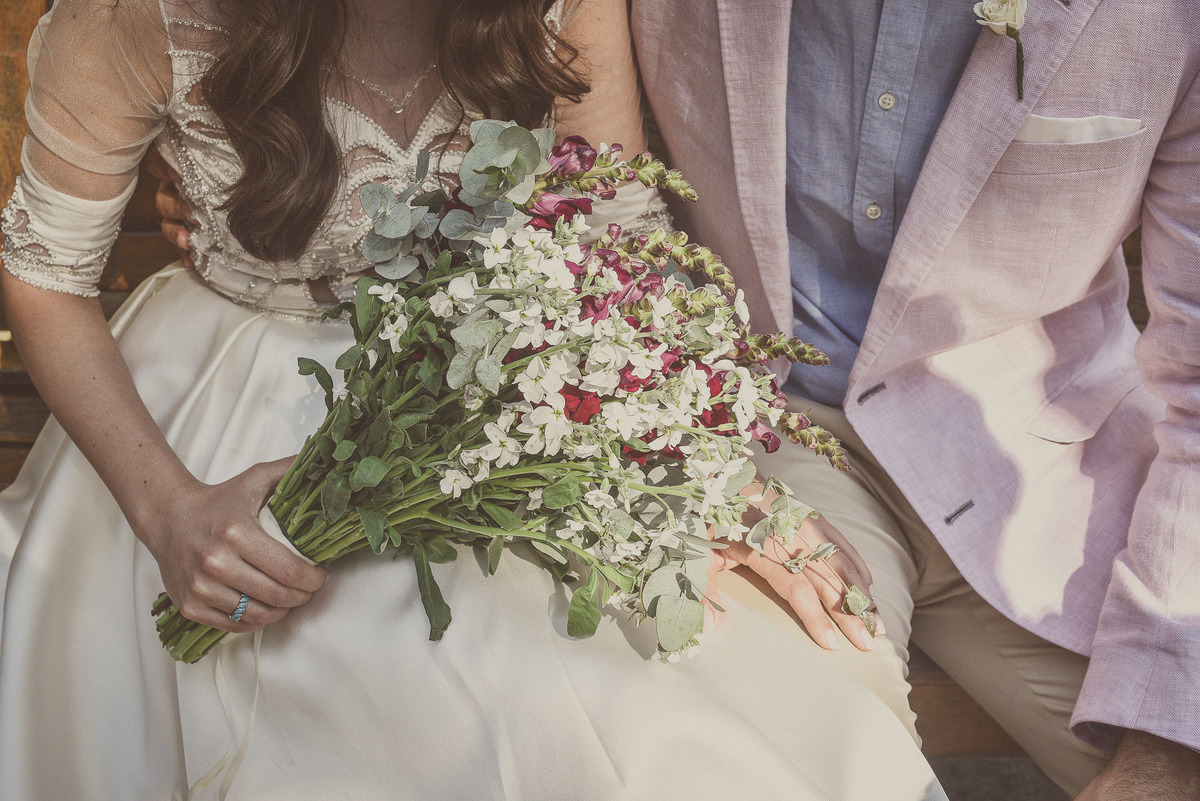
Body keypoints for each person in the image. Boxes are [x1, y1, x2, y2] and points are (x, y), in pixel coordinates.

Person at [0, 1, 948, 799]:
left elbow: (612, 218)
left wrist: (699, 466)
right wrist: (171, 512)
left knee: (743, 689)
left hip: (513, 383)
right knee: (452, 698)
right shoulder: (143, 17)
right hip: (238, 403)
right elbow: (46, 272)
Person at [623, 1, 1200, 799]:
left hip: (1050, 467)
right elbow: (597, 194)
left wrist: (1164, 745)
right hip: (775, 437)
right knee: (785, 758)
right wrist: (696, 457)